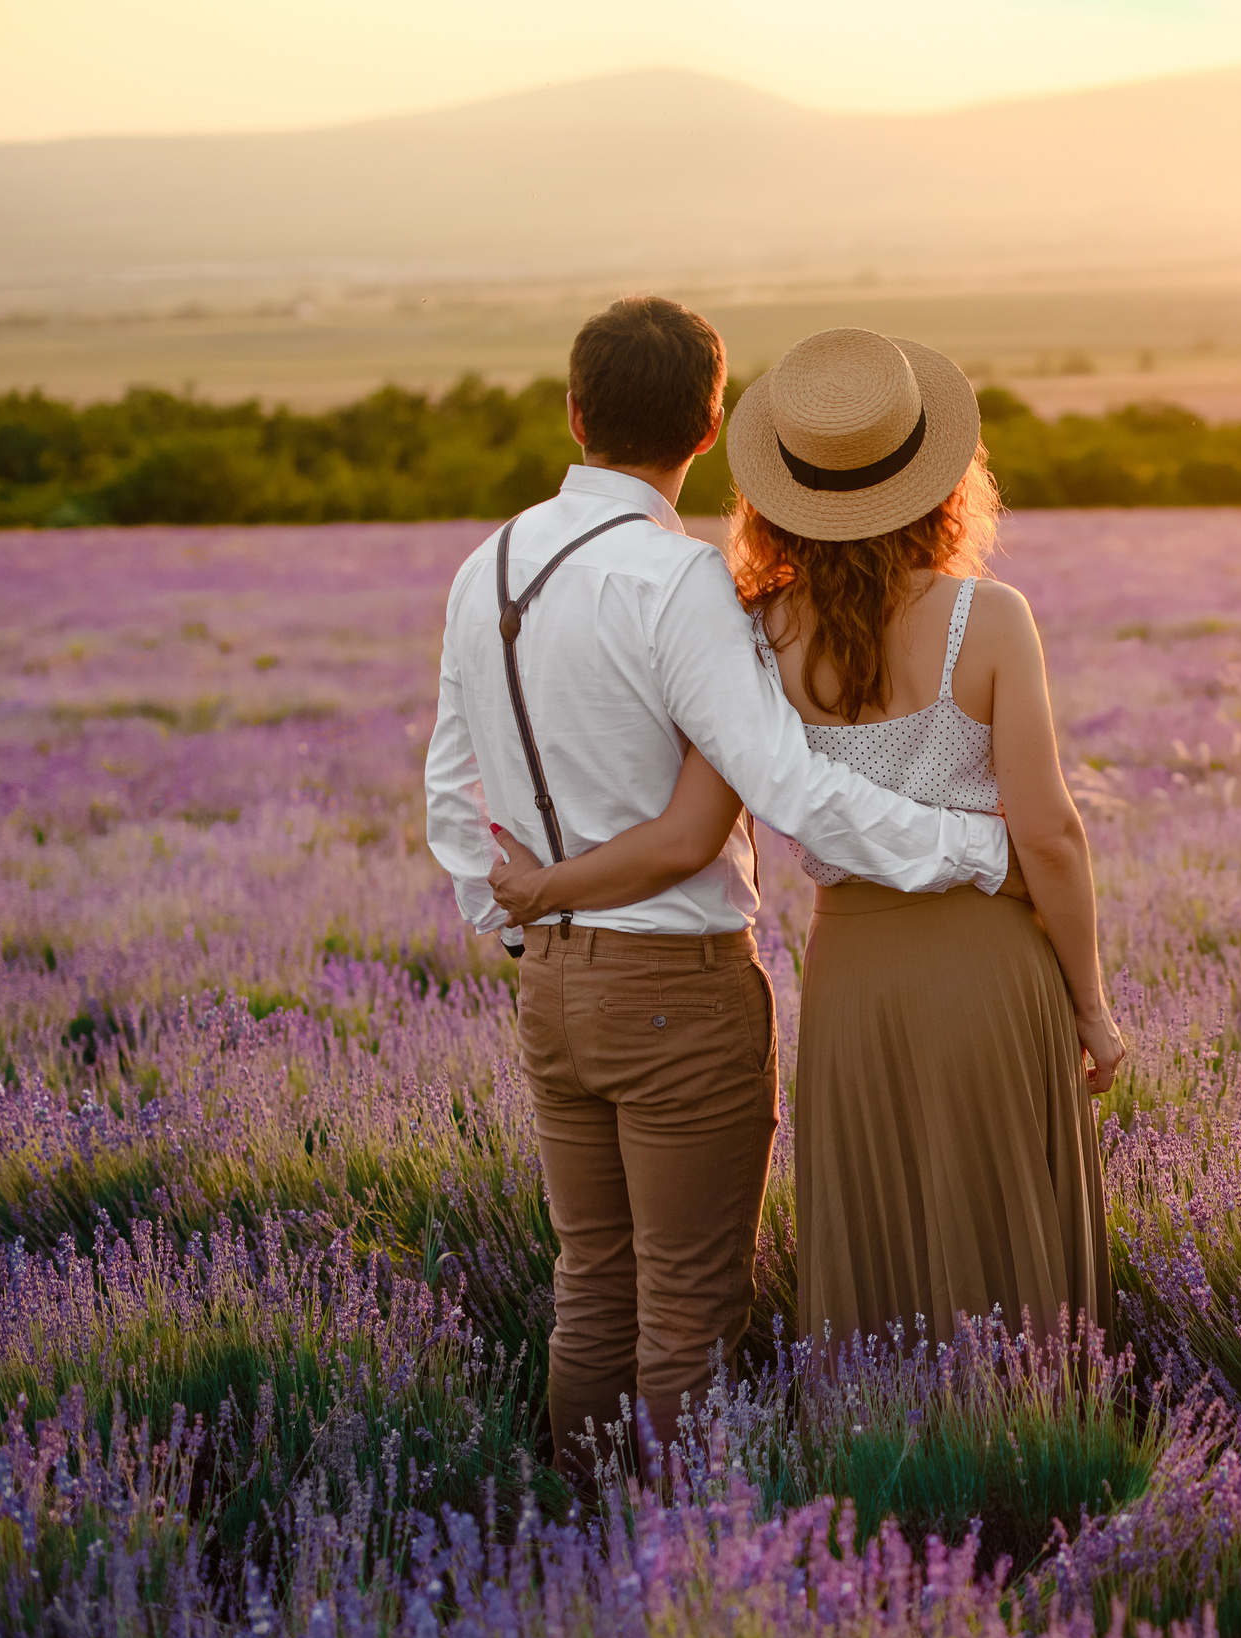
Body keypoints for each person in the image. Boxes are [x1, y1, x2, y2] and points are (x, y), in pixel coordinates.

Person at [423, 299, 1012, 1481]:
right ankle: (675, 1566)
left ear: (573, 412)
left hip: (555, 988)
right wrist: (968, 849)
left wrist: (515, 912)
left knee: (591, 1287)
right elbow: (783, 780)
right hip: (675, 993)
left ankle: (578, 1546)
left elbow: (450, 785)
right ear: (708, 423)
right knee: (689, 1308)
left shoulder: (481, 565)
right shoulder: (679, 581)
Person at [489, 326, 1122, 1351]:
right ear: (939, 482)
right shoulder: (991, 619)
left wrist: (546, 883)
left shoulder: (756, 632)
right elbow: (1049, 834)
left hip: (852, 980)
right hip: (991, 967)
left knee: (881, 1234)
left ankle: (881, 1456)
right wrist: (1091, 1004)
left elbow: (693, 823)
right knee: (1004, 1229)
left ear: (779, 492)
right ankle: (1030, 1449)